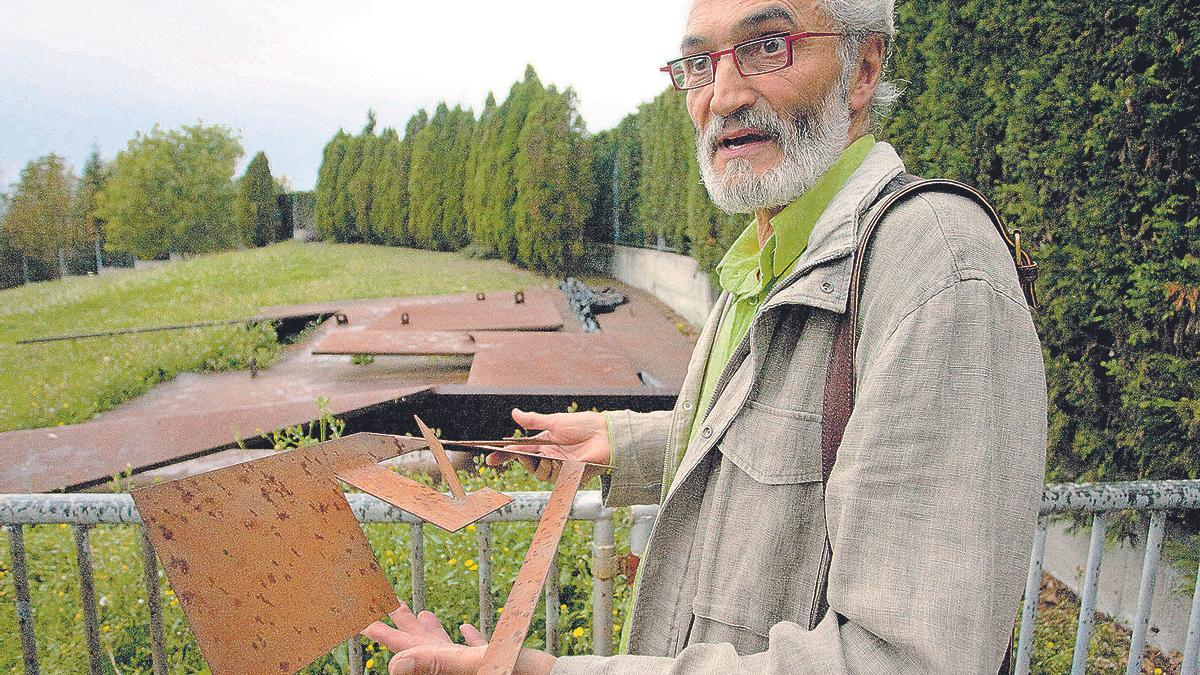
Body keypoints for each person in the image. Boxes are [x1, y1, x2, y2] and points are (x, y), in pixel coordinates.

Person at [364, 0, 1047, 672]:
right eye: (698, 62)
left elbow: (907, 660)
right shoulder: (763, 263)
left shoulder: (937, 269)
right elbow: (788, 444)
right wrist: (626, 444)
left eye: (766, 45)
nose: (722, 96)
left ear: (862, 67)